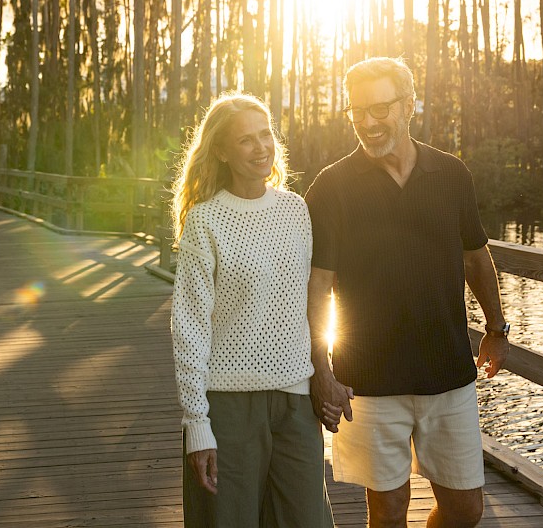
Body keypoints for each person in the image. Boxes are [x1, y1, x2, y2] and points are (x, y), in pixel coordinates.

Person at [304, 57, 509, 528]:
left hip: (447, 371)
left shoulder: (451, 173)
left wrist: (496, 328)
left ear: (410, 104)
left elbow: (476, 257)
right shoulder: (332, 187)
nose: (369, 123)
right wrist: (321, 369)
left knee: (465, 509)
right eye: (358, 112)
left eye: (380, 109)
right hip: (369, 379)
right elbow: (317, 287)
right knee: (389, 511)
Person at [170, 92, 335, 528]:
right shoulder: (205, 221)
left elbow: (312, 304)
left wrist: (325, 374)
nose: (261, 147)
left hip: (296, 404)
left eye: (265, 134)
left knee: (307, 520)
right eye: (246, 140)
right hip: (227, 406)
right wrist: (197, 425)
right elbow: (189, 326)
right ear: (221, 151)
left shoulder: (296, 210)